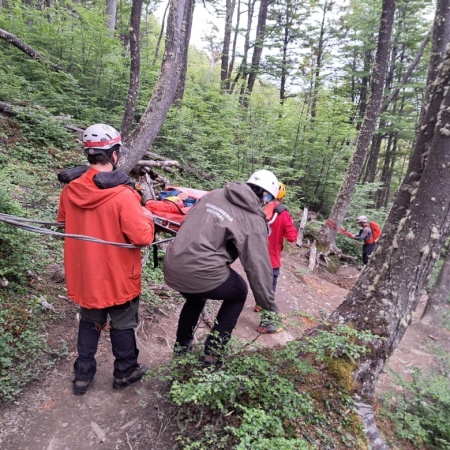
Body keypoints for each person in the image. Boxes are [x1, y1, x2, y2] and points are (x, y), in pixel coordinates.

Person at [57, 123, 155, 395]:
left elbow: (64, 222)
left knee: (90, 320)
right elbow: (143, 237)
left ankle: (82, 376)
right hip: (117, 274)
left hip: (86, 273)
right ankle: (125, 372)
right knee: (122, 322)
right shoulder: (123, 195)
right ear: (114, 154)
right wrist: (147, 217)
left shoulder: (70, 190)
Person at [164, 169, 283, 366]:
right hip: (200, 271)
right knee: (239, 292)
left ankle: (181, 348)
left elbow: (188, 222)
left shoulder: (215, 194)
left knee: (196, 298)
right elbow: (257, 269)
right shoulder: (253, 220)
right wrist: (269, 309)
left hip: (173, 262)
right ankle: (213, 354)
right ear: (265, 196)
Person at [258, 182, 298, 303]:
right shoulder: (283, 214)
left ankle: (259, 304)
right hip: (272, 259)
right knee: (270, 286)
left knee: (258, 281)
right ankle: (265, 316)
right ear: (281, 196)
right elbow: (292, 237)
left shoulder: (258, 209)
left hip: (254, 256)